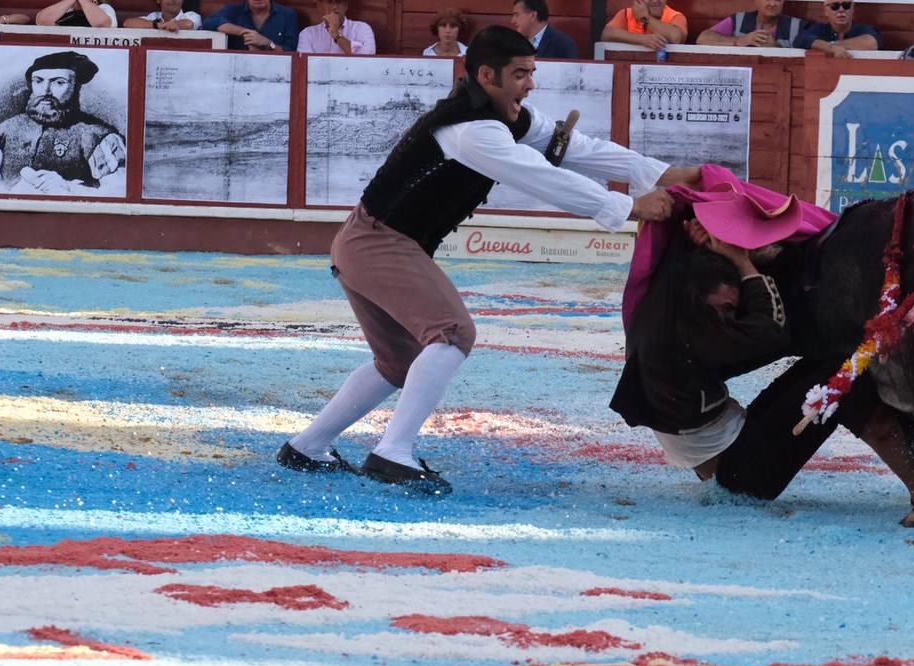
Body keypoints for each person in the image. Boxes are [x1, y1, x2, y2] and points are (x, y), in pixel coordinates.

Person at [278, 26, 694, 494]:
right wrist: (628, 206)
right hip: (379, 242)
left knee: (399, 360)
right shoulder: (472, 131)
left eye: (532, 72)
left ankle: (308, 445)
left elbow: (575, 149)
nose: (531, 83)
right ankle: (392, 454)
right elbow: (539, 176)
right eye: (520, 74)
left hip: (367, 239)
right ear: (486, 75)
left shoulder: (502, 117)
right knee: (453, 332)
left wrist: (655, 172)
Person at [611, 213, 914, 503]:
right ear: (699, 302)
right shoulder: (694, 332)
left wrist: (701, 239)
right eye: (726, 310)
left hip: (728, 449)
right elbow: (770, 331)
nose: (729, 319)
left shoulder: (670, 297)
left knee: (828, 367)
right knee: (844, 376)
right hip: (741, 474)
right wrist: (744, 263)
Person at [0, 51, 126, 195]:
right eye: (38, 81)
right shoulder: (6, 129)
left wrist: (68, 189)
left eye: (59, 82)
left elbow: (119, 192)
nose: (46, 91)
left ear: (76, 87)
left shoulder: (98, 136)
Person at [697, 0, 805, 49]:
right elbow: (703, 38)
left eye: (778, 0)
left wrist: (777, 47)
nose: (772, 3)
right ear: (755, 1)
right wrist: (739, 41)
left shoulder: (797, 26)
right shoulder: (739, 19)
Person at [795, 0, 882, 57]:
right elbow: (801, 39)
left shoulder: (864, 28)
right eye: (834, 6)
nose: (841, 10)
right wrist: (831, 48)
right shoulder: (819, 28)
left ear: (852, 9)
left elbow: (872, 43)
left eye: (846, 5)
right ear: (826, 11)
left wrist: (832, 46)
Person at [203, 0, 298, 52]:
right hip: (238, 71)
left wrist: (268, 43)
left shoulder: (288, 15)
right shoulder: (233, 10)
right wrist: (245, 32)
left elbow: (293, 54)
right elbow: (209, 22)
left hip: (276, 71)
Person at [600, 0, 686, 51]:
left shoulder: (675, 16)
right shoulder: (627, 13)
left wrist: (644, 17)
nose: (655, 0)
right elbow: (607, 34)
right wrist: (641, 39)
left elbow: (675, 37)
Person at [297, 0, 374, 54]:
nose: (334, 7)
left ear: (346, 6)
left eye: (338, 1)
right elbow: (305, 65)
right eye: (330, 2)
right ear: (319, 6)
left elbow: (365, 61)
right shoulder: (307, 34)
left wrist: (336, 34)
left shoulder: (362, 29)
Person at [510, 0, 577, 59]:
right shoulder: (516, 43)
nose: (512, 21)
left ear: (532, 15)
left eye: (517, 15)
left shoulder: (562, 43)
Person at [123, 0, 200, 31]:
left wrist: (173, 25)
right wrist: (158, 25)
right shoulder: (154, 16)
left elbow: (188, 24)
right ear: (158, 0)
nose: (174, 0)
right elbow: (127, 23)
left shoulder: (191, 15)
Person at [35, 0, 117, 28]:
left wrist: (84, 1)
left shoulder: (104, 8)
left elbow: (101, 24)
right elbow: (42, 20)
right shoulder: (63, 10)